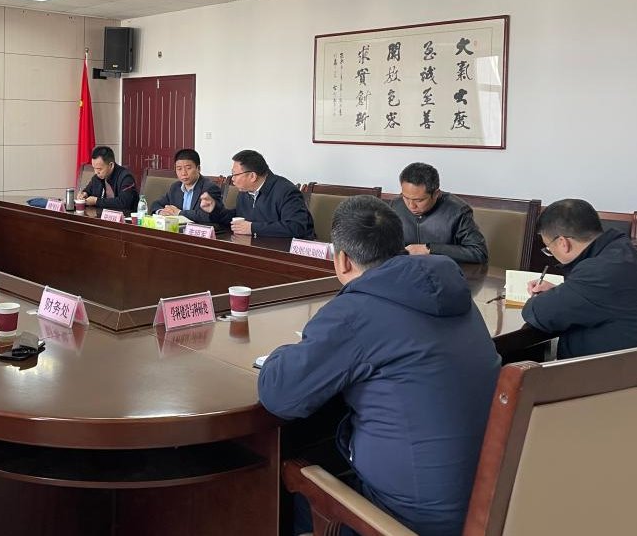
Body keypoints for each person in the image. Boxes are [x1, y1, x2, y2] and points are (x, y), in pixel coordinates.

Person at [258, 195, 500, 536]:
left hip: (409, 520)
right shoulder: (454, 292)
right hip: (488, 502)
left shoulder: (356, 311)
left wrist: (281, 354)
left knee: (289, 495)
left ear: (342, 259)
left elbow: (279, 395)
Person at [523, 198, 637, 359]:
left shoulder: (598, 272)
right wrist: (562, 291)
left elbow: (538, 313)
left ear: (563, 243)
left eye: (549, 248)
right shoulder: (621, 249)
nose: (551, 253)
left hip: (604, 371)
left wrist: (536, 298)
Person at [200, 149, 314, 238]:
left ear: (252, 176)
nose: (232, 179)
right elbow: (238, 217)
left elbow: (296, 227)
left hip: (287, 253)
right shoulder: (245, 191)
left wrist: (252, 228)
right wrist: (214, 209)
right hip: (257, 247)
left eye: (235, 174)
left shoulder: (286, 191)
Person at [390, 162, 488, 264]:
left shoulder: (458, 211)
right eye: (405, 197)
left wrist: (429, 249)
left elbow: (479, 253)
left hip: (444, 270)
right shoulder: (395, 205)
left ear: (436, 194)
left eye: (419, 200)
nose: (411, 206)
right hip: (404, 269)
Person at [149, 148, 222, 223]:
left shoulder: (210, 188)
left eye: (188, 168)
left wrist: (179, 212)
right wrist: (161, 211)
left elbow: (208, 216)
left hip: (198, 229)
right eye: (179, 169)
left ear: (198, 169)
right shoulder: (175, 187)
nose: (183, 173)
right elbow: (156, 204)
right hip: (177, 228)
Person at [78, 145, 139, 211]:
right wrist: (84, 194)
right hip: (101, 215)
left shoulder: (126, 178)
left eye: (99, 169)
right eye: (94, 168)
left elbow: (124, 203)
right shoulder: (97, 177)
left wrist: (96, 201)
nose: (96, 172)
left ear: (111, 165)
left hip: (125, 216)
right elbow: (88, 190)